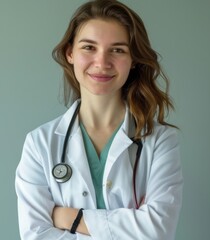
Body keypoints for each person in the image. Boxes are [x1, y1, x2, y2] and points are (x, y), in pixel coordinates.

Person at [15, 0, 183, 239]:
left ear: (133, 59)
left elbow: (157, 230)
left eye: (117, 50)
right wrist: (132, 225)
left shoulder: (160, 142)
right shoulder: (40, 144)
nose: (102, 63)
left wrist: (71, 219)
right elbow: (37, 235)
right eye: (89, 47)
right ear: (70, 53)